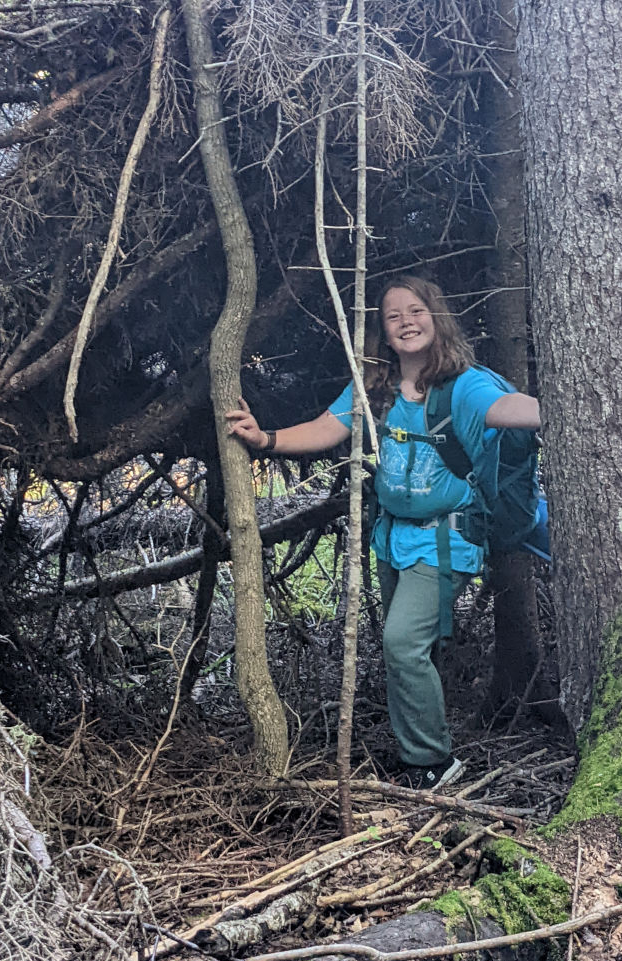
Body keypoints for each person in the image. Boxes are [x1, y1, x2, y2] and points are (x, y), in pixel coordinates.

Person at [226, 275, 540, 790]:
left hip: (445, 539)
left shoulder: (462, 384)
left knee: (399, 642)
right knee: (414, 648)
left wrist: (564, 409)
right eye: (393, 317)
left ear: (435, 319)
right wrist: (266, 439)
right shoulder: (376, 385)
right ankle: (419, 748)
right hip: (394, 539)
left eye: (415, 311)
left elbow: (502, 409)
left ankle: (432, 764)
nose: (406, 323)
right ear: (384, 333)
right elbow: (329, 427)